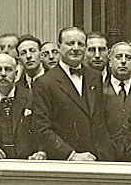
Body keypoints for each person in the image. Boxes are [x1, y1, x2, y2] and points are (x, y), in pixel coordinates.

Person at [31, 26, 113, 161]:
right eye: (70, 43)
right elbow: (41, 127)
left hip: (99, 159)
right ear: (59, 47)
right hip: (66, 161)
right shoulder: (45, 82)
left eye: (80, 44)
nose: (76, 48)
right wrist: (71, 155)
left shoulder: (95, 76)